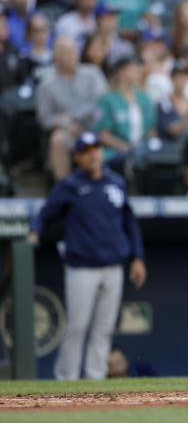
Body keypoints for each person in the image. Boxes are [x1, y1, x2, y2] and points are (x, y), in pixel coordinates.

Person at [28, 132, 146, 380]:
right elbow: (46, 212)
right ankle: (66, 378)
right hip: (82, 267)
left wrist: (138, 257)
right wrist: (35, 232)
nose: (93, 155)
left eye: (96, 149)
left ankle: (96, 377)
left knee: (103, 328)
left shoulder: (115, 182)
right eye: (87, 151)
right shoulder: (70, 185)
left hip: (113, 266)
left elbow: (129, 221)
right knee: (78, 326)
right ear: (78, 157)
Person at [36, 36, 107, 181]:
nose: (73, 55)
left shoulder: (92, 73)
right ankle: (65, 189)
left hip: (98, 128)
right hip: (70, 132)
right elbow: (44, 118)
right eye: (67, 52)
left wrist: (74, 116)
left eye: (75, 51)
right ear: (56, 57)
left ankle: (103, 187)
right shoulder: (46, 85)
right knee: (58, 139)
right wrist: (65, 123)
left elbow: (104, 103)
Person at [93, 57, 157, 174]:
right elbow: (103, 134)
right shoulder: (108, 99)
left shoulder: (144, 98)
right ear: (120, 72)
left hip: (143, 148)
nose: (137, 71)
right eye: (132, 68)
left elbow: (151, 129)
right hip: (116, 150)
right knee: (126, 159)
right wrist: (125, 146)